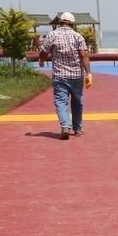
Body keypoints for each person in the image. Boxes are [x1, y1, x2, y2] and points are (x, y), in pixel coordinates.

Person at [39, 12, 92, 140]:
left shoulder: (53, 35)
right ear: (72, 24)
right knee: (77, 101)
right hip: (76, 75)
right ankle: (78, 129)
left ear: (60, 22)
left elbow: (43, 52)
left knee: (61, 101)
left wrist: (42, 61)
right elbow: (84, 55)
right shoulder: (77, 36)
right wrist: (88, 73)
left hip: (60, 75)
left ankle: (65, 127)